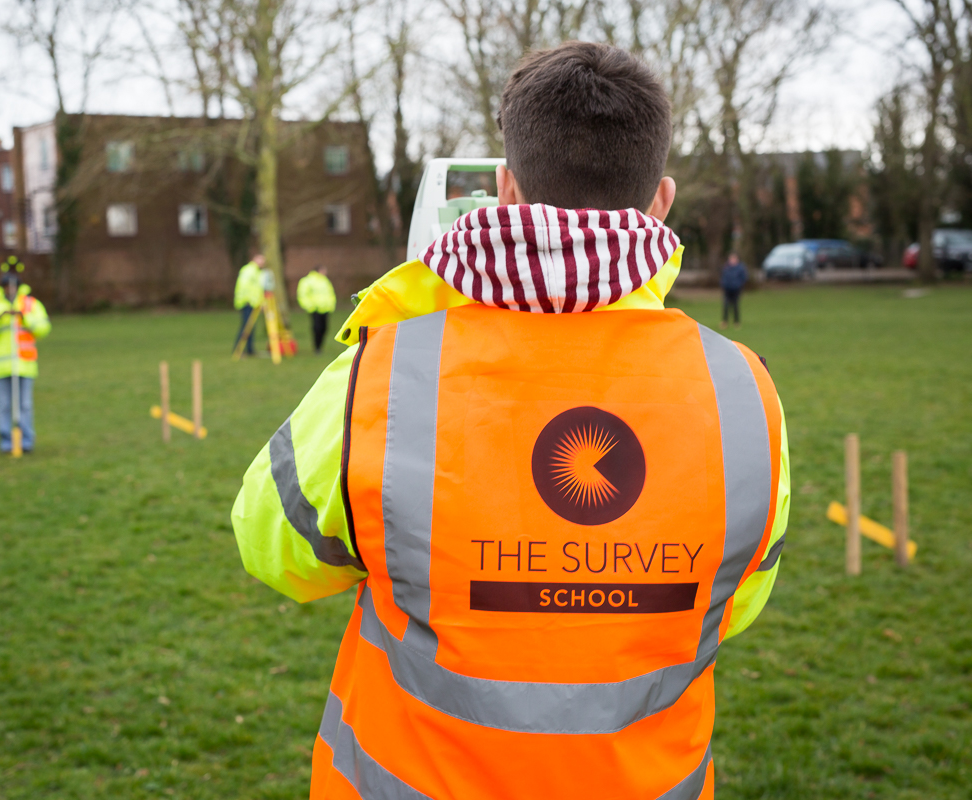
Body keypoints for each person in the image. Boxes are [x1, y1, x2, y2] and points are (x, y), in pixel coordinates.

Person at [232, 42, 790, 800]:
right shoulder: (742, 392)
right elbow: (736, 602)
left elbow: (278, 549)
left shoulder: (390, 376)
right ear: (661, 200)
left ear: (505, 191)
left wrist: (416, 313)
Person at [0, 257, 51, 454]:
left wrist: (24, 319)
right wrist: (0, 321)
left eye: (13, 287)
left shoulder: (30, 304)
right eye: (7, 287)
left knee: (25, 405)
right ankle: (6, 442)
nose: (11, 290)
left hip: (24, 364)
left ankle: (26, 442)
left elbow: (43, 328)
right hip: (0, 365)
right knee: (4, 405)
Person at [296, 266, 337, 354]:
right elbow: (302, 294)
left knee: (325, 328)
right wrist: (309, 306)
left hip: (326, 308)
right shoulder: (307, 281)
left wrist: (331, 305)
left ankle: (320, 346)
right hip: (315, 308)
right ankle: (317, 347)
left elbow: (330, 293)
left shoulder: (325, 281)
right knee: (317, 328)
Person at [234, 254, 266, 356]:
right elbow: (244, 287)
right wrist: (248, 300)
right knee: (246, 327)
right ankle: (238, 350)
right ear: (254, 259)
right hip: (248, 302)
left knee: (251, 327)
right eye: (261, 260)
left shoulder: (256, 271)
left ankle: (250, 349)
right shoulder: (249, 270)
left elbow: (257, 289)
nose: (262, 262)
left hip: (253, 303)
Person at [721, 251, 748, 329]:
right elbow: (723, 277)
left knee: (735, 306)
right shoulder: (726, 267)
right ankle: (724, 321)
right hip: (727, 289)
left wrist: (738, 285)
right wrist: (724, 284)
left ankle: (736, 322)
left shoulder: (740, 268)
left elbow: (744, 278)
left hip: (736, 289)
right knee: (726, 305)